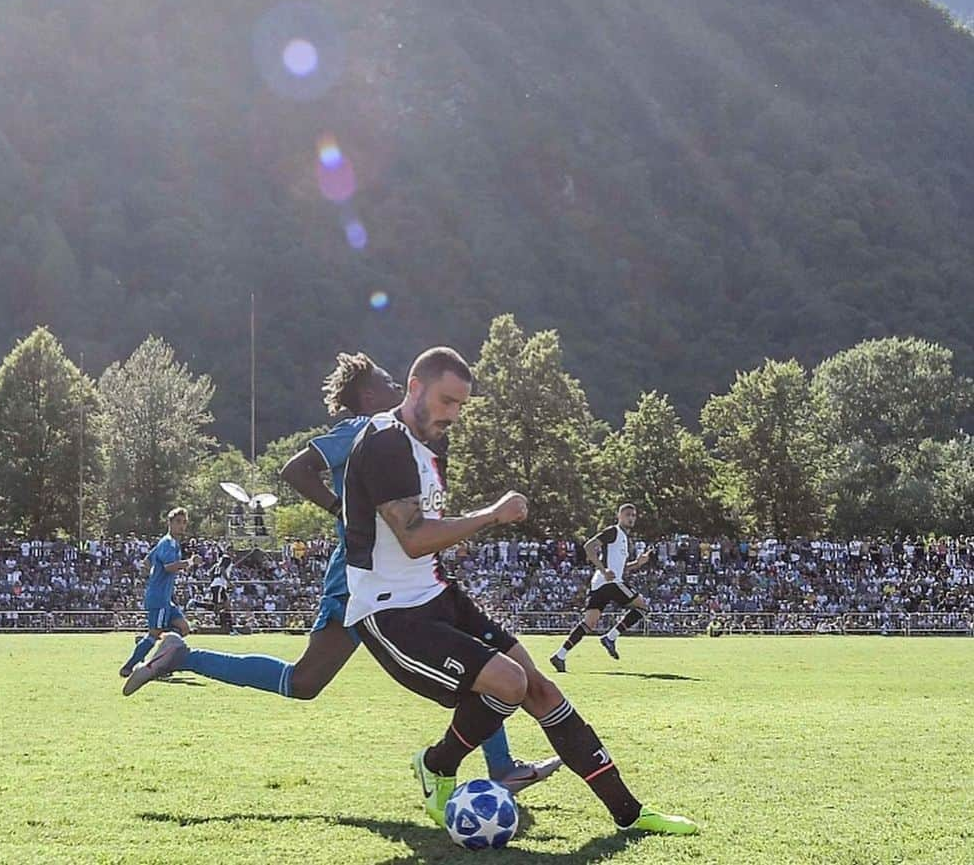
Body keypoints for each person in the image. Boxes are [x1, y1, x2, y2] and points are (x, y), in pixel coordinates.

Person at [121, 352, 559, 794]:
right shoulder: (360, 431)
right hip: (363, 579)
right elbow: (295, 469)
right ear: (370, 394)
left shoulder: (401, 437)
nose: (400, 386)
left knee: (308, 681)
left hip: (384, 578)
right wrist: (342, 509)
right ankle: (497, 767)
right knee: (331, 677)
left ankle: (183, 656)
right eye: (391, 381)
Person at [342, 346, 697, 834]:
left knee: (540, 686)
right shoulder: (385, 442)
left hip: (438, 595)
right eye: (447, 401)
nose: (454, 415)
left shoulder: (429, 444)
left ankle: (630, 813)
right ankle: (438, 765)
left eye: (462, 406)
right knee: (509, 683)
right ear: (415, 388)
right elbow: (412, 536)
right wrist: (491, 514)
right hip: (390, 612)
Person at [550, 504, 653, 671]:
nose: (631, 518)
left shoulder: (625, 540)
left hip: (600, 583)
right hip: (609, 582)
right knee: (642, 607)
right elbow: (589, 546)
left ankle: (560, 655)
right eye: (628, 515)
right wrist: (603, 569)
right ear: (619, 516)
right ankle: (610, 637)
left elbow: (621, 567)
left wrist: (637, 564)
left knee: (589, 623)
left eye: (634, 515)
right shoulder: (613, 531)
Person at [118, 507, 201, 682]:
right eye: (178, 522)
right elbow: (169, 566)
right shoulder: (169, 542)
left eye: (184, 522)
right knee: (156, 633)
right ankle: (130, 667)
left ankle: (148, 645)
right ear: (169, 523)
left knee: (184, 628)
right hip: (159, 597)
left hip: (164, 598)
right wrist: (190, 562)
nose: (182, 525)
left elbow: (146, 562)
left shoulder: (168, 543)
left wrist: (153, 576)